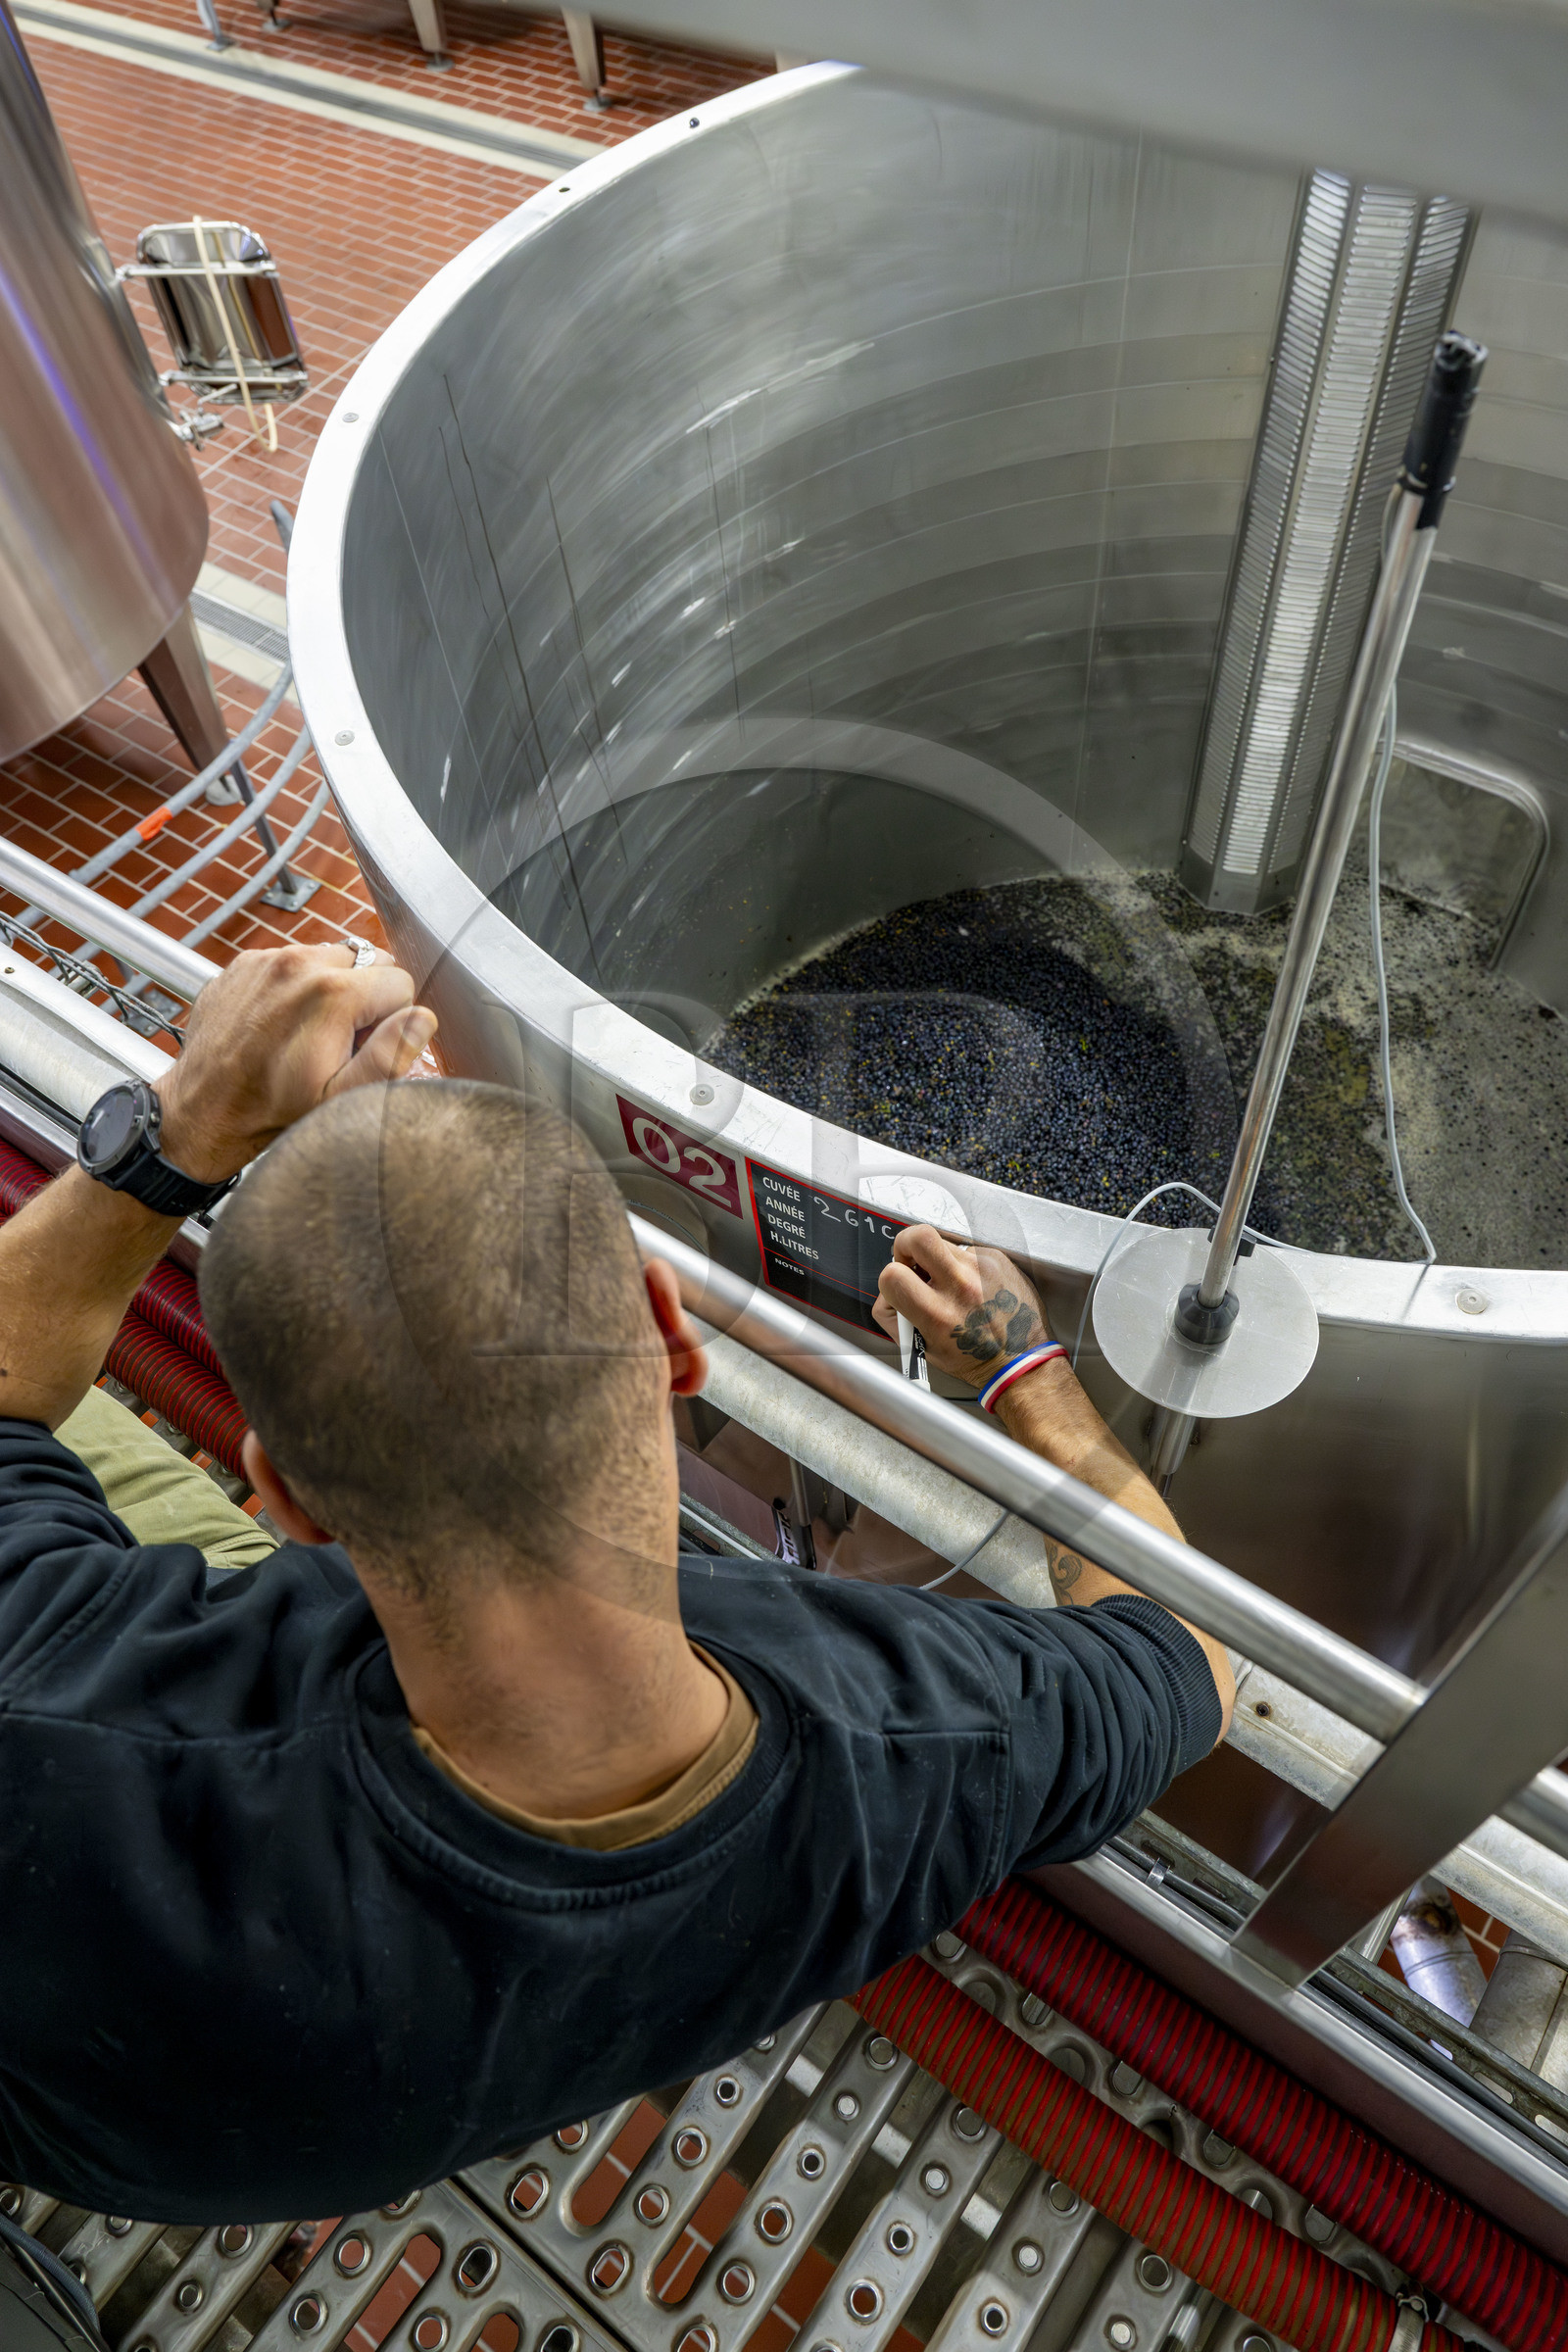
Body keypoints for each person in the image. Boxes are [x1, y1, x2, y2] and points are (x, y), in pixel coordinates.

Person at [0, 943, 1232, 2224]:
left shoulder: (69, 1726)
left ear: (283, 1499)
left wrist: (182, 1134)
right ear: (666, 1331)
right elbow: (1195, 1652)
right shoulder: (910, 1743)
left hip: (120, 2130)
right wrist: (1024, 1372)